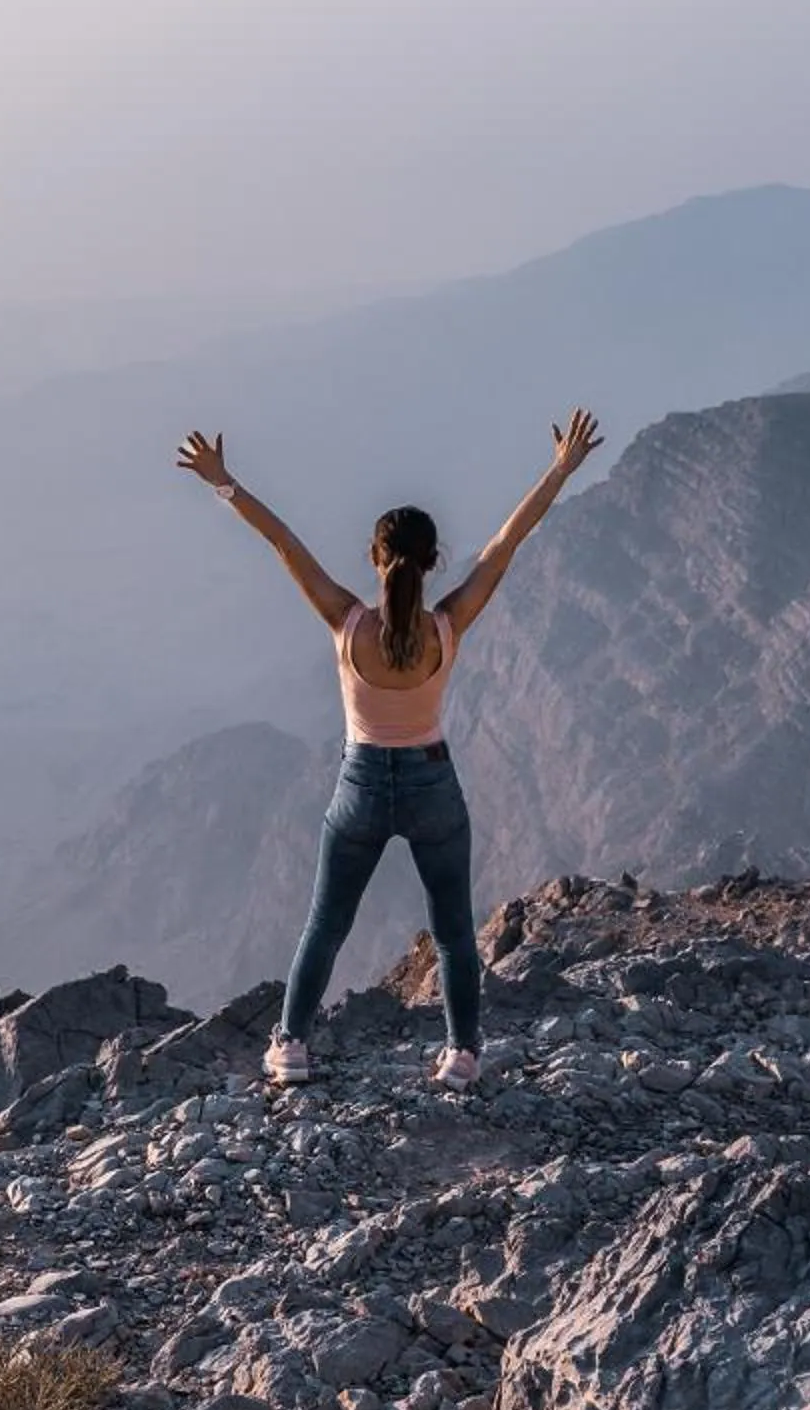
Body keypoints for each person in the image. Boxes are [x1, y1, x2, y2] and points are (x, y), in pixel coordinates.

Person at [175, 412, 604, 1089]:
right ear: (433, 563)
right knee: (455, 932)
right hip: (434, 786)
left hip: (361, 787)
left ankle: (290, 1048)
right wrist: (560, 468)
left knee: (325, 926)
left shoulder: (346, 623)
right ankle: (462, 1056)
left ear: (376, 560)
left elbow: (282, 543)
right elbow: (507, 542)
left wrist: (223, 483)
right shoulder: (448, 625)